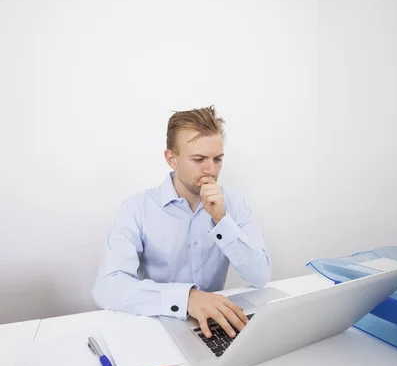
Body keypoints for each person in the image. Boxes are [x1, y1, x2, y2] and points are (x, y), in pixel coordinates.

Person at [92, 106, 271, 338]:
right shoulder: (136, 209)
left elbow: (259, 276)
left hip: (216, 327)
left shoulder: (234, 205)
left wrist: (221, 220)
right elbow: (107, 288)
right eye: (199, 159)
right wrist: (186, 298)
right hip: (159, 325)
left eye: (218, 159)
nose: (211, 170)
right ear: (171, 159)